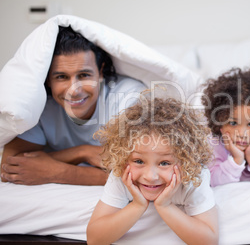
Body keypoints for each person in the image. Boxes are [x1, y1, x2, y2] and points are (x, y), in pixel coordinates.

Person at [1, 26, 146, 185]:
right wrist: (82, 152)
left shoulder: (129, 98)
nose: (74, 90)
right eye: (61, 77)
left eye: (84, 75)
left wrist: (60, 173)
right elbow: (9, 165)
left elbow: (144, 173)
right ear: (48, 79)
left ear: (100, 72)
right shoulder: (40, 106)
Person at [86, 97, 218, 245]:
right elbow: (94, 239)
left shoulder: (194, 176)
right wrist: (137, 205)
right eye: (139, 161)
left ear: (186, 161)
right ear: (124, 158)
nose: (150, 176)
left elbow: (209, 240)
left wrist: (165, 206)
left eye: (164, 163)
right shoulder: (122, 174)